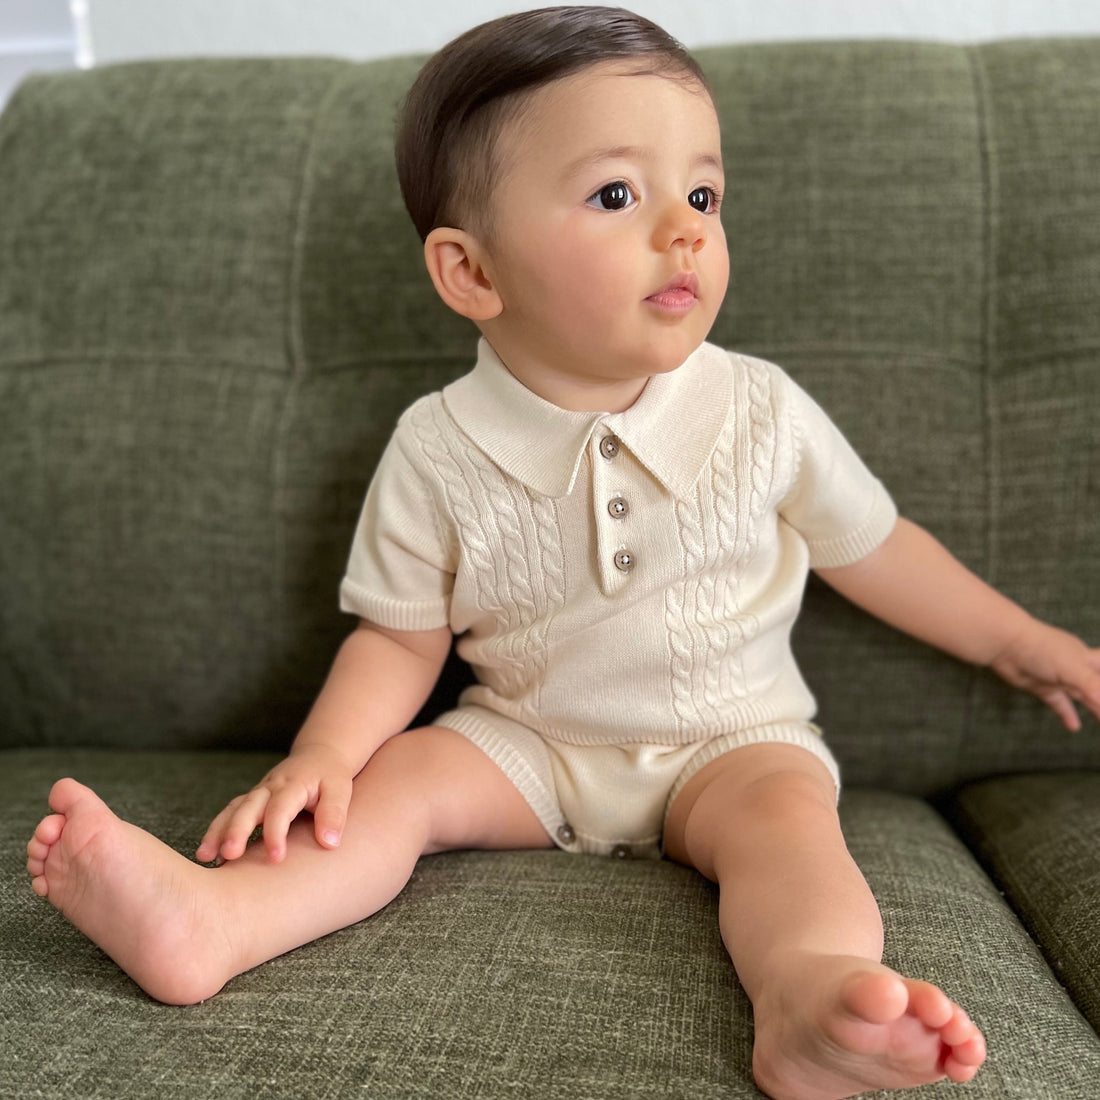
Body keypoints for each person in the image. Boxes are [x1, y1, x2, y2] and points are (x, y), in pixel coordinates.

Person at [26, 7, 1100, 1098]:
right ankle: (214, 920)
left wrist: (1020, 642)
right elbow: (397, 641)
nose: (684, 231)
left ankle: (806, 996)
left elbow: (875, 549)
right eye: (616, 195)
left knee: (789, 828)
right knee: (396, 785)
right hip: (527, 741)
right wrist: (322, 756)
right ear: (470, 272)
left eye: (703, 196)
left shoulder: (759, 410)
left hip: (732, 739)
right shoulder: (437, 447)